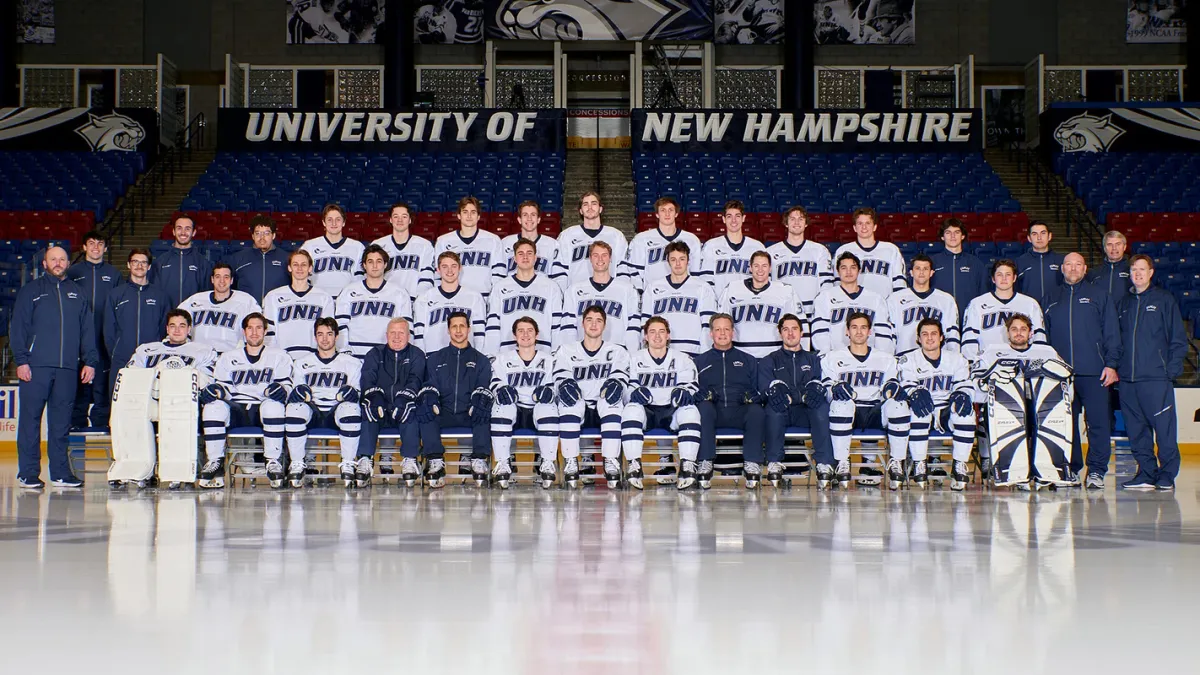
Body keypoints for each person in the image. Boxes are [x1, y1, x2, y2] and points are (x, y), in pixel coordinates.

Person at [10, 246, 100, 488]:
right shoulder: (31, 291)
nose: (58, 263)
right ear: (45, 264)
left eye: (62, 259)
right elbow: (18, 328)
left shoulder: (77, 293)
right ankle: (27, 473)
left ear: (68, 263)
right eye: (53, 259)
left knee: (61, 423)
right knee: (30, 422)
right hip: (36, 367)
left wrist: (90, 361)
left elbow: (87, 330)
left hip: (67, 369)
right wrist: (22, 360)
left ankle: (60, 473)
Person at [1044, 253, 1121, 489]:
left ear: (1085, 269)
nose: (1073, 268)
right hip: (1061, 375)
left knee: (1098, 424)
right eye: (1069, 264)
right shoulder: (1050, 298)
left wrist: (1111, 364)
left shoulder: (1099, 296)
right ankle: (1072, 469)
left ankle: (1097, 471)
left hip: (1095, 372)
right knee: (1066, 425)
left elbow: (1111, 332)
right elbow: (1043, 338)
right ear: (1062, 268)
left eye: (1078, 264)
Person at [971, 314, 1073, 489]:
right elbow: (975, 380)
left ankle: (1045, 470)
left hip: (1040, 407)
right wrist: (988, 380)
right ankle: (1016, 470)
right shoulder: (992, 353)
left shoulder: (1046, 352)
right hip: (1004, 409)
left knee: (1044, 417)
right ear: (1007, 333)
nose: (1019, 333)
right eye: (1014, 329)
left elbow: (1066, 381)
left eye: (1023, 329)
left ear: (1031, 333)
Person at [122, 309, 220, 488]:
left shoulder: (202, 351)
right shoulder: (147, 349)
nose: (177, 330)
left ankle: (177, 469)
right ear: (167, 328)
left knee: (177, 412)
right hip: (149, 400)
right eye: (173, 326)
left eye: (182, 326)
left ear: (189, 329)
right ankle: (137, 469)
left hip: (182, 402)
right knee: (131, 412)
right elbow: (131, 374)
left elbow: (206, 379)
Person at [1116, 254, 1187, 491]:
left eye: (1142, 270)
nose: (1137, 274)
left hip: (1156, 378)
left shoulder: (1164, 300)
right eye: (1134, 270)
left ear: (1151, 272)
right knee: (1136, 432)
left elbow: (1178, 338)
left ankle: (1167, 474)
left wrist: (1170, 371)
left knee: (1164, 431)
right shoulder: (1124, 303)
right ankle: (1146, 472)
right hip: (1128, 380)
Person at [199, 313, 294, 488]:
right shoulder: (228, 357)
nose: (254, 332)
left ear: (265, 331)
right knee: (214, 406)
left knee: (274, 405)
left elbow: (286, 386)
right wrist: (217, 391)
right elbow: (223, 387)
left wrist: (281, 390)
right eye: (250, 328)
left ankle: (273, 461)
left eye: (259, 328)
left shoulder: (279, 356)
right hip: (238, 409)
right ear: (244, 331)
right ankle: (215, 463)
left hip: (263, 409)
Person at [821, 312, 910, 489]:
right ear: (847, 331)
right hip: (849, 413)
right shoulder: (832, 358)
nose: (859, 332)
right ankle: (841, 462)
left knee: (899, 404)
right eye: (854, 327)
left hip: (874, 411)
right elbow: (826, 390)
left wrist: (892, 389)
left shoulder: (885, 359)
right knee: (840, 402)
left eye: (863, 327)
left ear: (870, 332)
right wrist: (833, 388)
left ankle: (896, 463)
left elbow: (891, 385)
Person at [553, 305, 631, 489]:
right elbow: (560, 378)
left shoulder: (617, 351)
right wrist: (564, 384)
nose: (594, 324)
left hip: (603, 406)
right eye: (589, 319)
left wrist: (617, 384)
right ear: (582, 324)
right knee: (569, 401)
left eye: (598, 320)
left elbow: (621, 379)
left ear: (604, 325)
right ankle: (571, 462)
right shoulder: (566, 350)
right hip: (579, 406)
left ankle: (611, 461)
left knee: (612, 400)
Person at [621, 316, 701, 490]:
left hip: (671, 411)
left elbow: (691, 385)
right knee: (630, 409)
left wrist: (685, 391)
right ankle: (634, 465)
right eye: (652, 332)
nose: (657, 336)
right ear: (645, 337)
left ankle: (687, 465)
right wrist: (633, 392)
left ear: (668, 335)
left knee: (690, 410)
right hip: (647, 412)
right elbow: (626, 388)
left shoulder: (682, 358)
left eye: (661, 331)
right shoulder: (633, 359)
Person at [284, 318, 364, 488]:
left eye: (329, 334)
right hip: (312, 410)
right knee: (294, 408)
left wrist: (352, 393)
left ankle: (348, 463)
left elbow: (356, 393)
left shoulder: (352, 363)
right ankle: (297, 463)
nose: (325, 339)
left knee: (351, 407)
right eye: (320, 334)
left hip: (337, 411)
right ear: (315, 337)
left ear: (336, 337)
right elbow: (296, 393)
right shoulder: (301, 363)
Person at [417, 311, 494, 487]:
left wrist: (479, 399)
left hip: (469, 411)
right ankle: (435, 461)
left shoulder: (481, 360)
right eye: (454, 326)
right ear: (448, 330)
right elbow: (429, 385)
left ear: (469, 329)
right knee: (425, 412)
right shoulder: (435, 359)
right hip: (443, 411)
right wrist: (429, 396)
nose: (458, 330)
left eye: (462, 326)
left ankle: (479, 460)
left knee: (484, 411)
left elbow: (483, 386)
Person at [897, 318, 975, 491]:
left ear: (941, 337)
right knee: (919, 407)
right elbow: (907, 384)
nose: (929, 338)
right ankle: (919, 463)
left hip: (946, 408)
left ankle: (959, 465)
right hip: (925, 410)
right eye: (925, 334)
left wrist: (961, 394)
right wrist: (915, 393)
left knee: (966, 412)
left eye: (934, 334)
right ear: (918, 338)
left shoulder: (956, 359)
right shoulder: (909, 359)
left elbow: (964, 384)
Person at [759, 314, 836, 488]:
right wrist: (796, 394)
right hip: (783, 411)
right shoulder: (769, 360)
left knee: (821, 407)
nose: (791, 334)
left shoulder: (814, 360)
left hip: (806, 412)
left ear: (802, 333)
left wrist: (796, 395)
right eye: (786, 329)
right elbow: (765, 388)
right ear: (780, 333)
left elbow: (819, 385)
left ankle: (824, 463)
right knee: (773, 406)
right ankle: (774, 462)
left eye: (794, 329)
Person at [694, 314, 766, 489]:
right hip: (714, 412)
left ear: (733, 332)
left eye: (726, 329)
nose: (722, 333)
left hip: (739, 410)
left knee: (757, 410)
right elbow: (693, 391)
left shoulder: (748, 360)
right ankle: (705, 461)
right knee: (702, 408)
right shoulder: (700, 361)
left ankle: (752, 462)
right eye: (717, 329)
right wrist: (702, 395)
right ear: (711, 333)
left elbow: (760, 391)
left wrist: (754, 397)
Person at [489, 317, 558, 489]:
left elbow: (555, 385)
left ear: (537, 335)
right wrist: (501, 389)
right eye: (520, 331)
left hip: (537, 411)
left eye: (529, 330)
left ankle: (548, 462)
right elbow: (495, 382)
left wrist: (549, 391)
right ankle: (503, 463)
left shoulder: (549, 360)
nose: (525, 334)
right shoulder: (502, 359)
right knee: (501, 407)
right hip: (514, 410)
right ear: (514, 335)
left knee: (548, 406)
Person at [359, 317, 428, 487]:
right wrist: (375, 397)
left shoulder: (417, 354)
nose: (396, 337)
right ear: (386, 335)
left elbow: (416, 380)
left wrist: (404, 398)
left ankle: (410, 460)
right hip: (381, 408)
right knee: (368, 410)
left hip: (403, 407)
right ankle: (365, 460)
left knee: (411, 411)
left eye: (401, 333)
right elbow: (368, 379)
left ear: (408, 336)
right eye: (393, 333)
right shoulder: (374, 354)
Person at [104, 248, 172, 410]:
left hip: (152, 360)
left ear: (149, 267)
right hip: (122, 358)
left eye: (143, 262)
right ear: (128, 265)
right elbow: (108, 329)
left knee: (150, 406)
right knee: (120, 405)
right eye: (135, 262)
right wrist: (116, 352)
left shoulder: (160, 296)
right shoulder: (115, 294)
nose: (139, 266)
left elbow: (165, 329)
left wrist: (156, 351)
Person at [66, 230, 120, 428]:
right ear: (84, 247)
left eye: (100, 243)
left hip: (104, 338)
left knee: (102, 387)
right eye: (91, 243)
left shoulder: (114, 274)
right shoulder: (73, 273)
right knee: (79, 386)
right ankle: (76, 426)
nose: (96, 247)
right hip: (79, 339)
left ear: (105, 248)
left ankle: (101, 426)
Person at [560, 240, 642, 351]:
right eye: (596, 255)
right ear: (590, 258)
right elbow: (568, 328)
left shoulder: (627, 289)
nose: (600, 259)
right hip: (583, 354)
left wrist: (630, 354)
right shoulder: (574, 290)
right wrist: (571, 352)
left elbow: (633, 328)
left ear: (610, 258)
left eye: (604, 255)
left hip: (616, 353)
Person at [718, 250, 802, 357]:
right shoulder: (732, 288)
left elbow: (797, 325)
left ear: (770, 268)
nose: (760, 270)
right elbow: (720, 323)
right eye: (756, 266)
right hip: (740, 353)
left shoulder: (785, 290)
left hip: (774, 355)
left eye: (764, 266)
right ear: (750, 268)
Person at [335, 244, 414, 358]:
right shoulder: (349, 291)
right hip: (355, 355)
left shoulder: (399, 293)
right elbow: (341, 324)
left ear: (385, 265)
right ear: (364, 265)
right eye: (370, 262)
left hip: (386, 356)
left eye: (379, 261)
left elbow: (407, 327)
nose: (375, 266)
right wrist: (343, 350)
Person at [486, 238, 564, 352]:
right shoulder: (500, 287)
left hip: (543, 351)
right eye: (520, 254)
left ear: (535, 258)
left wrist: (556, 353)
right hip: (508, 352)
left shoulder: (551, 287)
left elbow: (557, 326)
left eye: (529, 253)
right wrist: (492, 354)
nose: (525, 257)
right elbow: (493, 327)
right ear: (515, 259)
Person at [640, 241, 716, 355]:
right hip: (661, 350)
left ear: (688, 261)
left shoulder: (703, 287)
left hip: (693, 350)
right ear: (668, 262)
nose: (678, 263)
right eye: (673, 259)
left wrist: (705, 352)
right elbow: (645, 323)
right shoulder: (653, 287)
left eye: (682, 259)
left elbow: (707, 325)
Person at [961, 259, 1046, 360]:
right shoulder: (976, 304)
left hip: (1021, 362)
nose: (1004, 278)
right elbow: (969, 340)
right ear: (993, 279)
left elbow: (1039, 338)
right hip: (989, 364)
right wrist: (973, 363)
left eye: (1008, 274)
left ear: (1014, 278)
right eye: (999, 275)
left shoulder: (1030, 304)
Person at [811, 252, 893, 355]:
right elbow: (820, 332)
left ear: (859, 270)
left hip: (869, 360)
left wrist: (880, 358)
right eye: (844, 268)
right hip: (837, 359)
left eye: (853, 267)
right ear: (838, 271)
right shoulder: (825, 297)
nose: (848, 272)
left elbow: (883, 333)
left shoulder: (875, 298)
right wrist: (827, 357)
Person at [262, 249, 335, 358]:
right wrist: (273, 356)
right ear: (289, 268)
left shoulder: (323, 297)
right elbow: (269, 332)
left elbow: (328, 332)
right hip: (282, 357)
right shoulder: (273, 296)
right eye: (295, 265)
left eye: (304, 265)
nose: (299, 268)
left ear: (310, 268)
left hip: (313, 358)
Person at [620, 196, 704, 291]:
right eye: (663, 210)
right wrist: (640, 292)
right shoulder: (641, 239)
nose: (667, 214)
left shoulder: (691, 240)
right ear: (657, 214)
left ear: (676, 213)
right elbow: (635, 271)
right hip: (653, 294)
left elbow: (696, 272)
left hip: (683, 293)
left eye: (671, 210)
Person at [766, 205, 834, 321]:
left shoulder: (820, 250)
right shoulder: (771, 252)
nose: (796, 222)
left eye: (801, 219)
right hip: (784, 312)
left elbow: (826, 285)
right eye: (792, 219)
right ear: (786, 223)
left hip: (812, 313)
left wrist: (821, 308)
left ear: (806, 223)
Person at [178, 263, 263, 354]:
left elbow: (257, 330)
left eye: (226, 277)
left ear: (231, 280)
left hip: (230, 357)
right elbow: (177, 322)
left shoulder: (246, 301)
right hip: (198, 355)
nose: (222, 281)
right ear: (212, 279)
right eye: (218, 276)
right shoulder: (195, 300)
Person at [412, 251, 487, 353]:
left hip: (465, 356)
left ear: (460, 268)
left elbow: (479, 333)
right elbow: (419, 335)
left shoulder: (474, 297)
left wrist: (477, 356)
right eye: (444, 266)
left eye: (454, 266)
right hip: (433, 357)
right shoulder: (424, 298)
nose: (449, 270)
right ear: (438, 270)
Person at [433, 196, 507, 299]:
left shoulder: (493, 240)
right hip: (455, 298)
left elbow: (499, 274)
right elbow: (438, 275)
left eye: (473, 212)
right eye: (465, 212)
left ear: (478, 216)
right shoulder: (443, 241)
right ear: (458, 215)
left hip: (484, 297)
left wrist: (493, 298)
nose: (469, 216)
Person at [553, 191, 629, 291]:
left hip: (609, 293)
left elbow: (623, 268)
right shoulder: (567, 235)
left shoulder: (616, 236)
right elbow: (560, 270)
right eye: (585, 204)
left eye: (594, 203)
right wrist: (563, 294)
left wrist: (619, 291)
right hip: (577, 294)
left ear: (600, 208)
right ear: (580, 210)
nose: (590, 207)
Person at [887, 253, 960, 356]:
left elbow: (952, 333)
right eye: (918, 268)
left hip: (935, 357)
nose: (921, 272)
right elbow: (890, 334)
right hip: (905, 356)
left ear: (931, 273)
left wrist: (953, 357)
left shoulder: (946, 300)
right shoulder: (895, 298)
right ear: (911, 272)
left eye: (925, 269)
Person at [834, 207, 906, 298]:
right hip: (853, 306)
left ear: (875, 227)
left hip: (884, 306)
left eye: (868, 223)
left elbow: (899, 283)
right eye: (860, 223)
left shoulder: (891, 250)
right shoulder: (843, 251)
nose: (864, 227)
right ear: (854, 228)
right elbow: (837, 283)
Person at [701, 199, 766, 297]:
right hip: (721, 307)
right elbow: (706, 281)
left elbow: (764, 280)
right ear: (723, 219)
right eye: (729, 216)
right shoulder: (711, 246)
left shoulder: (757, 247)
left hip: (748, 304)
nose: (734, 220)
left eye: (737, 216)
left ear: (743, 218)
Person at [373, 202, 435, 301]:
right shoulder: (378, 245)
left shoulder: (424, 245)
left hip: (414, 300)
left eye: (404, 216)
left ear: (410, 220)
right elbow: (372, 277)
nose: (400, 220)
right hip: (386, 300)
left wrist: (419, 300)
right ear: (390, 219)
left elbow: (427, 278)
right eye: (396, 216)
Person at [929, 217, 989, 315]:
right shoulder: (932, 262)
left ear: (963, 236)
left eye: (957, 232)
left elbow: (983, 293)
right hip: (939, 317)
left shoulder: (975, 263)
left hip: (969, 317)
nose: (953, 236)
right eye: (948, 232)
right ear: (942, 237)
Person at [150, 215, 212, 308]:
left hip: (193, 317)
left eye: (187, 229)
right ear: (174, 232)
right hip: (167, 317)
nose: (183, 232)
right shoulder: (160, 262)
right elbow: (154, 293)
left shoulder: (203, 263)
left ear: (194, 232)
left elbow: (207, 294)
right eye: (179, 228)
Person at [301, 203, 365, 293]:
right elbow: (302, 277)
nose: (334, 223)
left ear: (344, 222)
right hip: (318, 299)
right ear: (323, 222)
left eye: (338, 220)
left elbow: (360, 279)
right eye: (329, 220)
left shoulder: (357, 247)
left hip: (346, 300)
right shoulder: (309, 246)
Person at [230, 214, 290, 305]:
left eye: (266, 233)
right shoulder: (238, 258)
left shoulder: (286, 258)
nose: (262, 238)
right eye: (258, 233)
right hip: (247, 313)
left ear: (273, 235)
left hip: (277, 311)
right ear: (253, 236)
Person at [501, 201, 559, 276]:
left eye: (533, 215)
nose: (529, 218)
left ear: (538, 219)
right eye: (525, 215)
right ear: (519, 219)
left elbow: (556, 276)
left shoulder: (552, 244)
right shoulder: (505, 243)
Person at [1015, 221, 1064, 307]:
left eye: (1043, 233)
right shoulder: (1020, 262)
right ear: (1029, 238)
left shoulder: (1061, 261)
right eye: (1034, 234)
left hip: (1055, 309)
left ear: (1049, 236)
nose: (1039, 237)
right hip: (1028, 310)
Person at [1088, 230, 1132, 302]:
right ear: (1105, 248)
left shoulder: (1132, 271)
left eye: (1118, 244)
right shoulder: (1094, 273)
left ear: (1124, 247)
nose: (1114, 248)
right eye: (1109, 244)